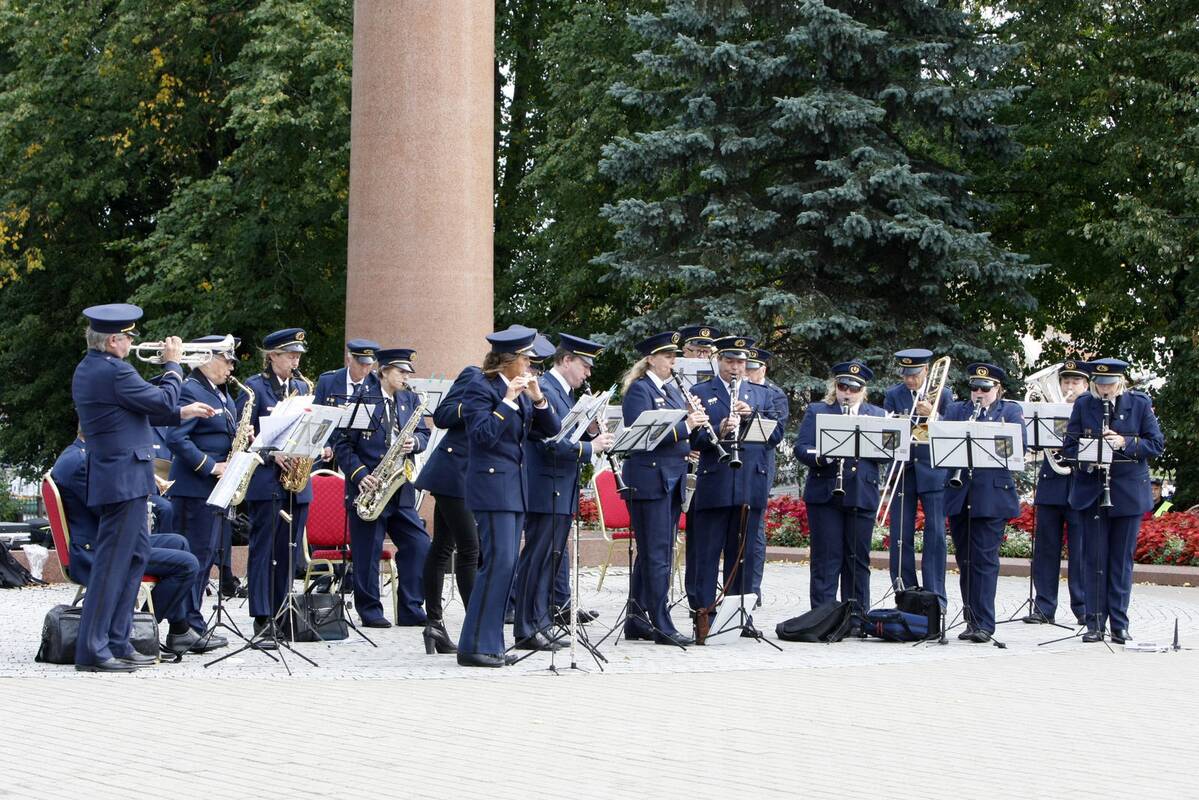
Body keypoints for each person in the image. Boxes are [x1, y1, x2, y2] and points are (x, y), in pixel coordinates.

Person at [70, 303, 216, 671]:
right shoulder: (114, 370)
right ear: (113, 341)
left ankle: (118, 641)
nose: (132, 343)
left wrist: (183, 412)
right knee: (112, 567)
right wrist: (173, 365)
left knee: (133, 560)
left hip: (123, 479)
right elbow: (163, 398)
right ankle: (93, 648)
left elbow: (143, 408)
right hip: (122, 481)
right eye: (128, 338)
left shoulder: (94, 369)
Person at [51, 434, 214, 656]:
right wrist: (137, 489)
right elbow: (108, 512)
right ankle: (140, 630)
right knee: (188, 564)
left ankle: (180, 630)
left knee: (179, 542)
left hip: (105, 540)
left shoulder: (80, 456)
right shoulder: (81, 463)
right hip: (99, 550)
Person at [456, 327, 559, 667]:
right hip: (491, 487)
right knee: (498, 563)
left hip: (514, 488)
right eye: (526, 359)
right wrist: (507, 402)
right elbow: (482, 435)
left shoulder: (522, 391)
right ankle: (474, 645)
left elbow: (551, 429)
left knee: (507, 566)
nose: (530, 366)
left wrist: (539, 399)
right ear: (509, 359)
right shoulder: (481, 387)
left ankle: (491, 644)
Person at [513, 334, 614, 650]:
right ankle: (526, 627)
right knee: (537, 558)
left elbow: (566, 432)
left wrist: (591, 431)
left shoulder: (566, 394)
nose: (588, 373)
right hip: (545, 485)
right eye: (585, 365)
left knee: (551, 560)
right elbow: (549, 443)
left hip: (560, 485)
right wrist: (590, 447)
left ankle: (541, 622)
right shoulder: (546, 389)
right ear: (566, 360)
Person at [686, 336, 785, 635]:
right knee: (707, 553)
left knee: (743, 555)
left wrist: (751, 415)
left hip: (749, 482)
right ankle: (704, 617)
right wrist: (719, 429)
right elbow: (694, 440)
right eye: (730, 361)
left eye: (741, 362)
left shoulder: (761, 394)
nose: (736, 367)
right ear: (719, 361)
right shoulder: (701, 392)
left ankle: (739, 618)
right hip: (715, 482)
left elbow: (775, 436)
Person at [1062, 357, 1164, 644]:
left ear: (1120, 382)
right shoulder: (1085, 404)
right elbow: (1069, 446)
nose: (1104, 390)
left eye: (1109, 385)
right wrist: (1089, 453)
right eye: (1100, 385)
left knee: (1121, 561)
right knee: (1094, 558)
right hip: (1092, 489)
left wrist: (1124, 442)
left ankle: (1119, 623)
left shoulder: (1139, 403)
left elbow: (1156, 444)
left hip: (1127, 492)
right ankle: (1094, 623)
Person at [334, 347, 432, 628]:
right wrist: (360, 475)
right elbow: (343, 444)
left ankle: (410, 607)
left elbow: (423, 432)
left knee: (419, 543)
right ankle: (370, 610)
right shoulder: (362, 399)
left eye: (407, 373)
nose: (406, 377)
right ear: (384, 371)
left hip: (399, 488)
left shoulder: (409, 398)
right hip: (369, 488)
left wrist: (416, 442)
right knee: (368, 551)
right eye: (401, 372)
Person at [620, 331, 707, 645]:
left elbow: (686, 437)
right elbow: (645, 438)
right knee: (657, 555)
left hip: (671, 479)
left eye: (674, 356)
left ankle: (636, 618)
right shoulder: (639, 390)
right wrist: (687, 425)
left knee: (653, 553)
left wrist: (700, 425)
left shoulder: (672, 390)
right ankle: (661, 623)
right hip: (648, 480)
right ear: (650, 359)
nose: (673, 362)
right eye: (668, 357)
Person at [165, 335, 242, 647]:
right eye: (226, 359)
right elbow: (176, 438)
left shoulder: (221, 394)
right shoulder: (190, 389)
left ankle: (192, 622)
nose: (231, 366)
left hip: (213, 490)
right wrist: (211, 466)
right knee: (194, 557)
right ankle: (184, 626)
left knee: (205, 556)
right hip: (194, 488)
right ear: (206, 358)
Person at [237, 328, 313, 643]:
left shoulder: (302, 387)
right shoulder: (254, 389)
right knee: (264, 550)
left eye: (298, 356)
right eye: (290, 355)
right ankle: (262, 616)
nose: (295, 361)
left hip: (297, 482)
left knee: (288, 552)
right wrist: (271, 454)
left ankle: (282, 613)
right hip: (267, 480)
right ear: (272, 356)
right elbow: (242, 437)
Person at [943, 363, 1025, 644]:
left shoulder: (1009, 411)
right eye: (975, 388)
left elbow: (1019, 448)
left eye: (985, 388)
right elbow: (943, 445)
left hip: (992, 496)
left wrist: (985, 427)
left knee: (985, 561)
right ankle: (971, 620)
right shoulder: (957, 410)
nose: (979, 393)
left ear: (997, 389)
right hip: (960, 494)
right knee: (965, 560)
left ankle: (985, 623)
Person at [795, 361, 884, 612]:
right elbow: (801, 448)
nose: (847, 393)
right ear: (835, 387)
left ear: (862, 391)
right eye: (842, 387)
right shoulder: (818, 411)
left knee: (858, 560)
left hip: (861, 493)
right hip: (825, 493)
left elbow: (887, 454)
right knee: (825, 559)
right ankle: (823, 619)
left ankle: (857, 618)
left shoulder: (876, 415)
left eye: (853, 389)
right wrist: (822, 457)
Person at [414, 364, 482, 653]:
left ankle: (434, 625)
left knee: (442, 546)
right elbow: (442, 415)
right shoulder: (475, 376)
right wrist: (473, 407)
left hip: (469, 475)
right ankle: (477, 630)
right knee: (470, 549)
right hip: (453, 471)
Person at [882, 348, 954, 607]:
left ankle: (935, 597)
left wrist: (932, 415)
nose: (910, 380)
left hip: (933, 471)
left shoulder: (943, 394)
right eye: (906, 375)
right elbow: (888, 433)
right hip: (904, 470)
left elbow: (950, 431)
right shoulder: (894, 395)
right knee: (900, 534)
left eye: (914, 375)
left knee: (935, 534)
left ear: (925, 370)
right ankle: (905, 593)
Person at [1023, 359, 1090, 627]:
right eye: (1066, 381)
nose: (1069, 386)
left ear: (1086, 385)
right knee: (1045, 549)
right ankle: (1044, 607)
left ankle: (1083, 607)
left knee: (1080, 550)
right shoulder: (1047, 411)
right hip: (1051, 484)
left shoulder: (1092, 411)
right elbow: (1033, 442)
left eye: (1076, 382)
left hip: (1080, 485)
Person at [744, 347, 788, 606]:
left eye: (752, 369)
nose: (748, 373)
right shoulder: (737, 389)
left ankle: (753, 588)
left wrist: (750, 412)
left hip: (760, 463)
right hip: (735, 463)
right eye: (746, 368)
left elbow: (774, 434)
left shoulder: (774, 394)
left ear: (763, 369)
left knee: (755, 527)